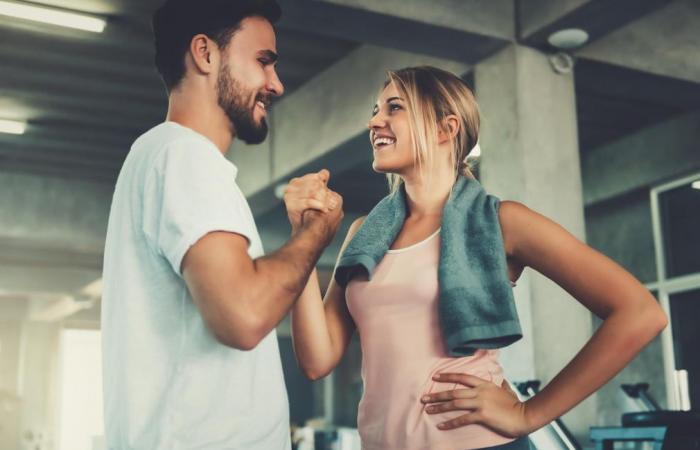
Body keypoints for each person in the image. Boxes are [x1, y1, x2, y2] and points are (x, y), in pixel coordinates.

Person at [286, 66, 668, 450]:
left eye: (394, 108)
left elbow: (639, 312)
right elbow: (317, 361)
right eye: (375, 109)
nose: (374, 121)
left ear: (445, 129)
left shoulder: (502, 222)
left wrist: (528, 414)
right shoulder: (364, 234)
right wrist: (303, 241)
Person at [101, 1, 342, 448]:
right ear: (205, 54)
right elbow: (244, 315)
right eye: (263, 62)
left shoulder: (165, 158)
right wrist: (318, 231)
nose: (276, 83)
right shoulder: (183, 156)